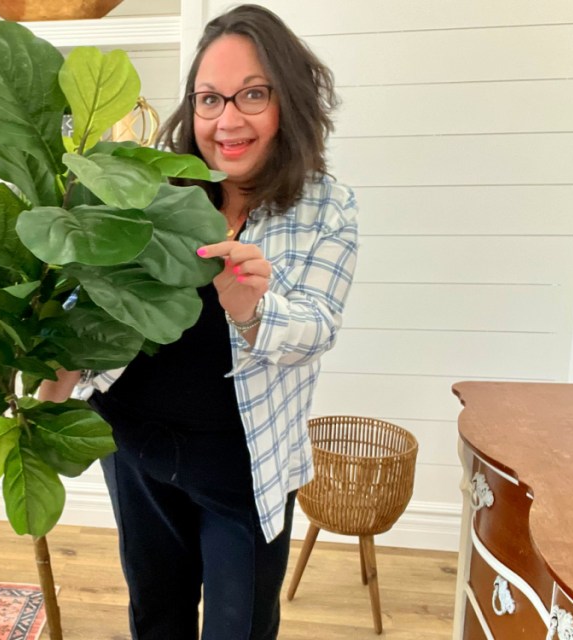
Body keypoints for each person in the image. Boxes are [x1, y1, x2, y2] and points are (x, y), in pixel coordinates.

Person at [41, 5, 359, 639]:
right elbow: (98, 294)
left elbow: (317, 327)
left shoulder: (326, 205)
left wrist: (250, 307)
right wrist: (54, 379)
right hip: (134, 444)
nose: (228, 120)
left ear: (287, 101)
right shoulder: (158, 185)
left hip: (245, 460)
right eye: (210, 99)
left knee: (239, 627)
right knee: (156, 616)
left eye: (253, 95)